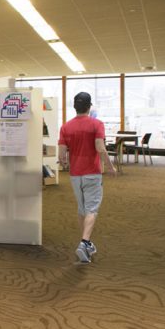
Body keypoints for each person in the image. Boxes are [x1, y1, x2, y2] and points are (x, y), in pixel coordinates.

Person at [58, 91, 117, 264]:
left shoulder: (65, 127)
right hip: (92, 172)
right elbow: (100, 147)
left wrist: (65, 163)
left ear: (74, 107)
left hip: (75, 174)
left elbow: (62, 154)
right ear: (89, 106)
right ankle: (84, 243)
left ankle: (87, 242)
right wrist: (110, 166)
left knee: (82, 208)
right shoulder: (96, 124)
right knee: (92, 209)